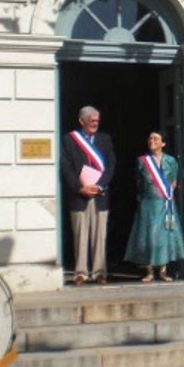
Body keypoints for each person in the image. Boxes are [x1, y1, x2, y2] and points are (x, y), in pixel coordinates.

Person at [61, 106, 116, 286]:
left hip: (100, 195)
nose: (95, 123)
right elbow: (66, 167)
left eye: (97, 121)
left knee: (100, 236)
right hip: (79, 196)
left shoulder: (105, 140)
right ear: (81, 121)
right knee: (80, 235)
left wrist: (100, 185)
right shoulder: (69, 140)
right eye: (91, 120)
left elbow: (111, 165)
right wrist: (79, 188)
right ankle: (81, 273)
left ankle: (99, 272)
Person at [124, 131, 184, 283]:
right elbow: (139, 182)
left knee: (165, 236)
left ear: (163, 143)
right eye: (150, 138)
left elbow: (173, 182)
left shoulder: (171, 161)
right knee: (149, 236)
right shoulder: (142, 161)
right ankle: (149, 271)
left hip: (165, 203)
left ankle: (163, 271)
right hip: (148, 203)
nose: (151, 140)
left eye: (156, 138)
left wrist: (167, 195)